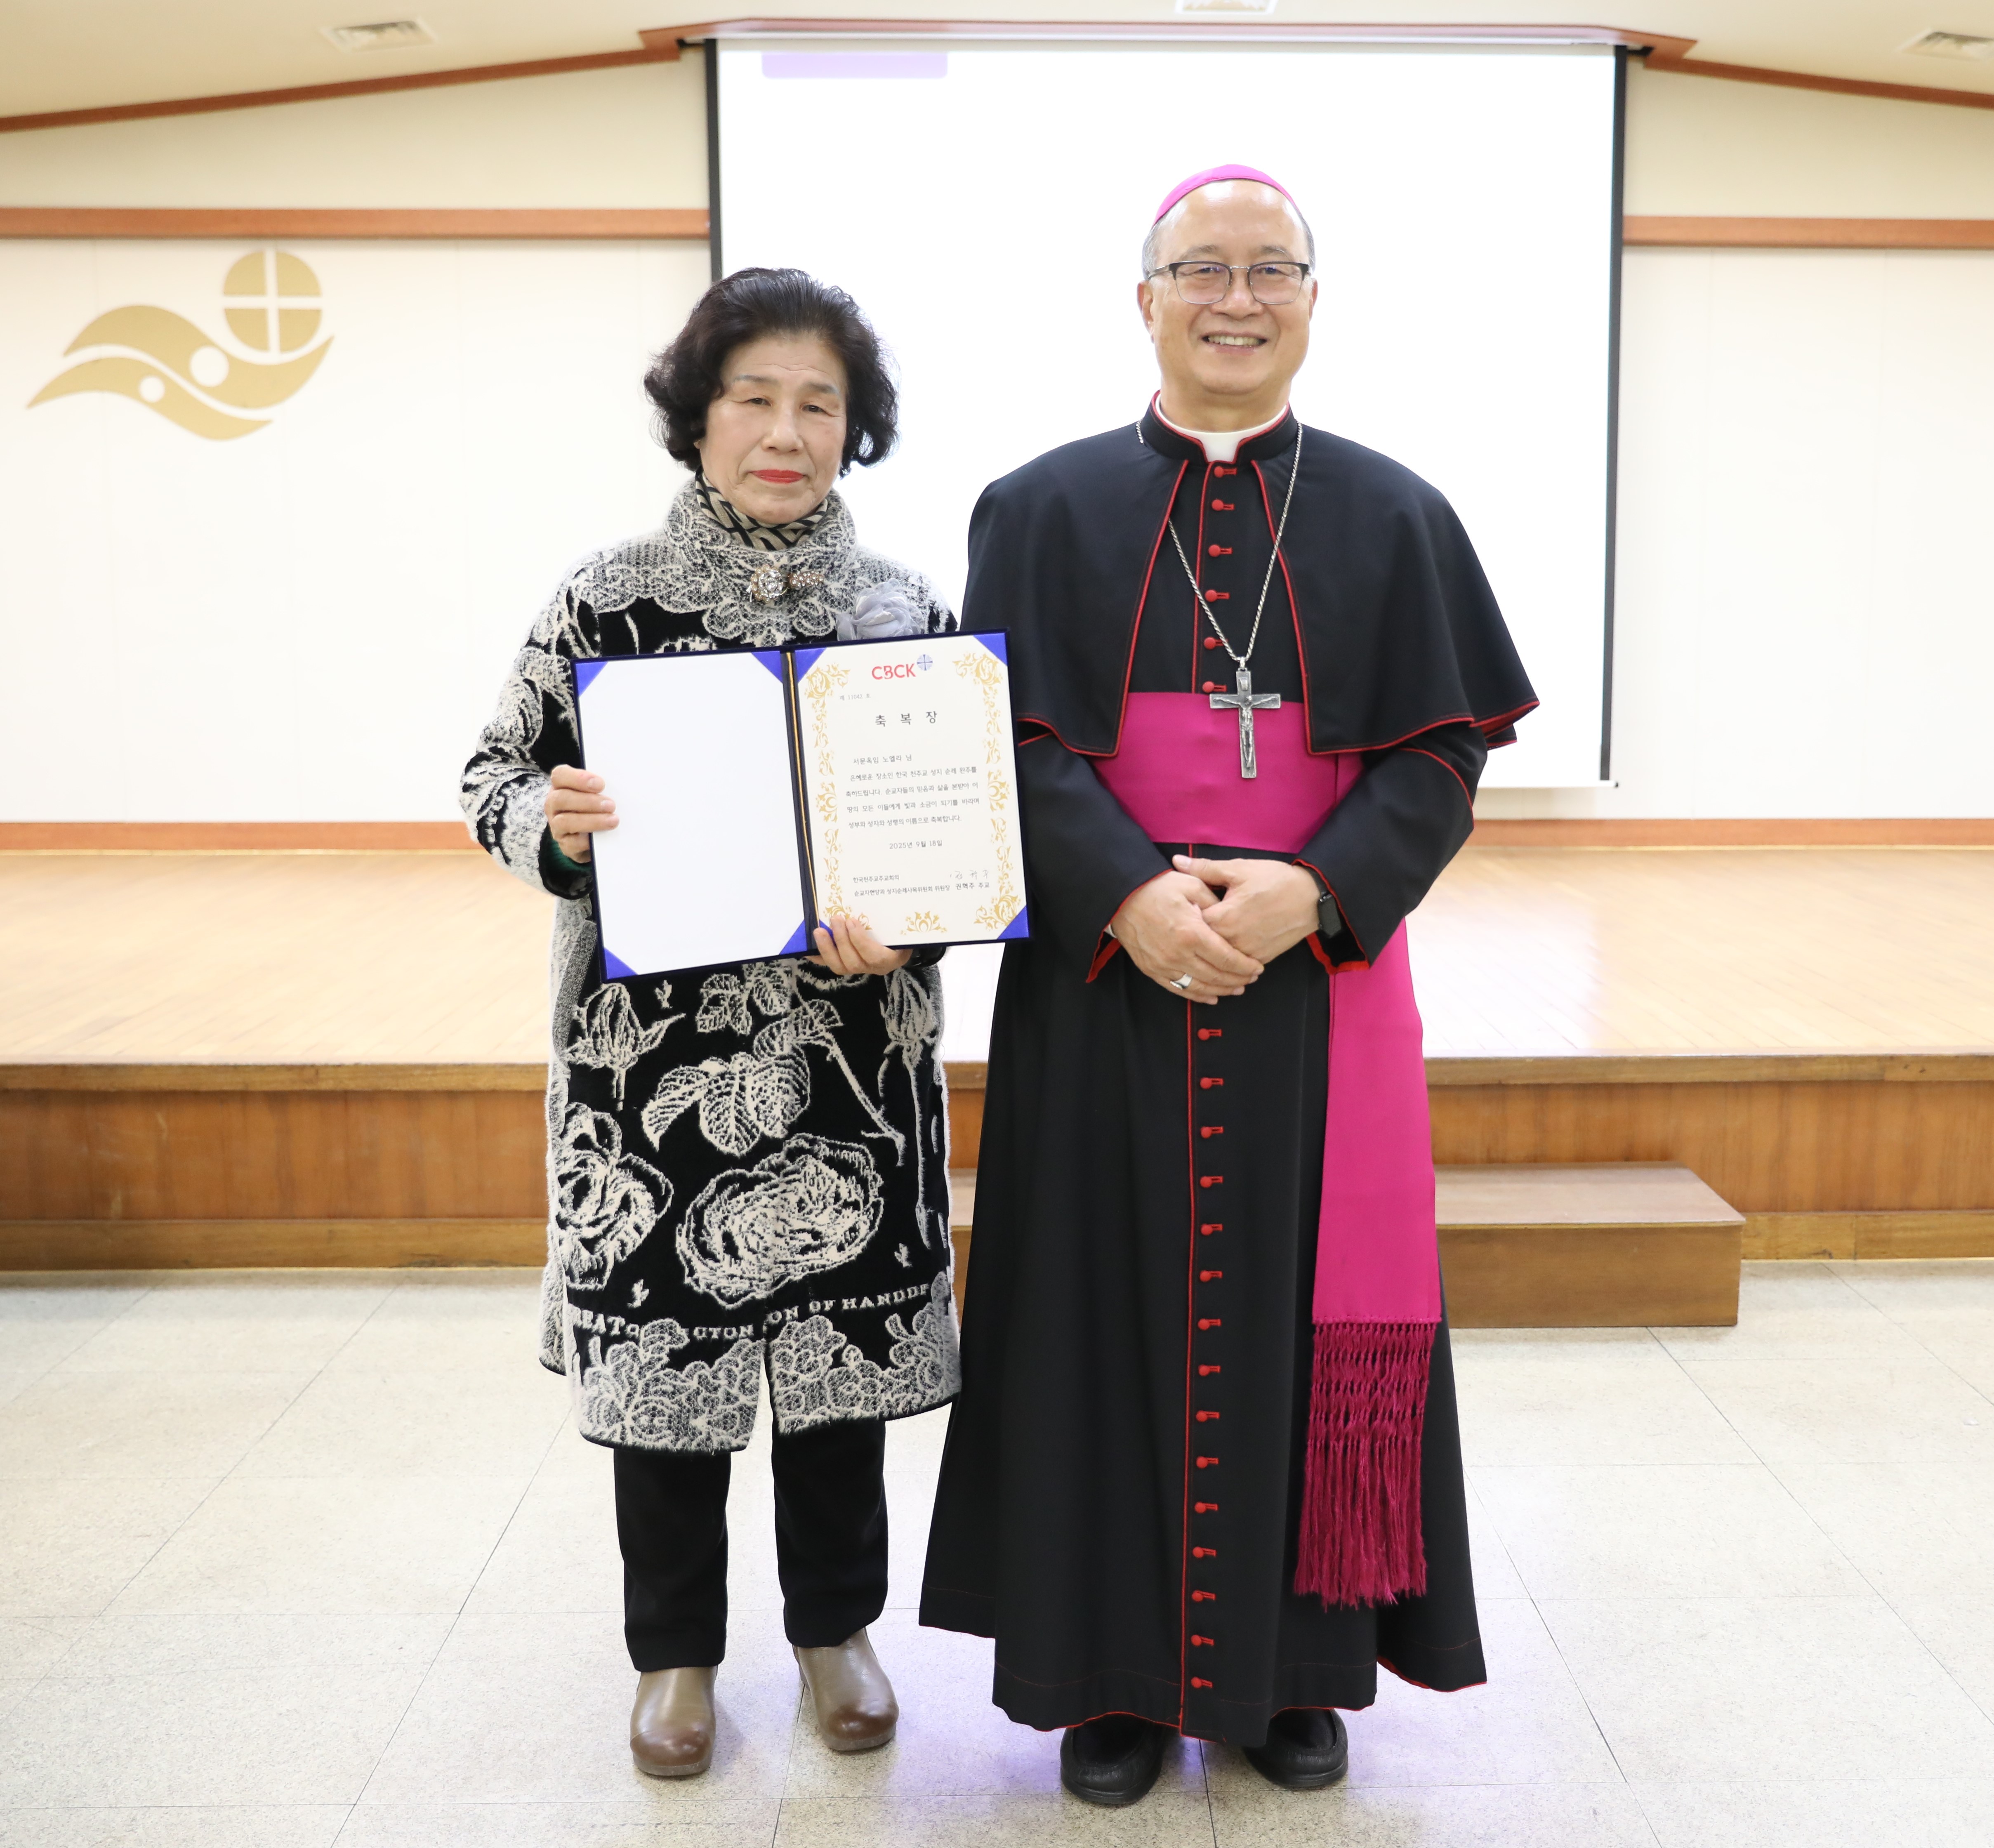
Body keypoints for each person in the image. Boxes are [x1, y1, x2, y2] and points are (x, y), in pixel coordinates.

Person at [919, 167, 1536, 1804]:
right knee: (1090, 1311)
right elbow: (1011, 744)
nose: (1236, 298)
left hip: (1312, 991)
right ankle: (1106, 1677)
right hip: (1104, 982)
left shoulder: (1397, 515)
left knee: (1298, 1310)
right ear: (1147, 299)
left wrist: (1307, 891)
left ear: (1312, 301)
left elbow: (1439, 750)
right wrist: (1127, 892)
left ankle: (1294, 1672)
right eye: (1203, 269)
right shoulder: (1037, 509)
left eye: (1272, 270)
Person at [461, 267, 961, 1780]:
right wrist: (556, 828)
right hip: (650, 1077)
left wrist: (918, 920)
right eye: (754, 397)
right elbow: (489, 779)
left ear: (855, 427)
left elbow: (961, 832)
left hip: (853, 1063)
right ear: (699, 418)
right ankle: (674, 1655)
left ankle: (836, 1634)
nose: (786, 430)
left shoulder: (910, 612)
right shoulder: (601, 597)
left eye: (820, 402)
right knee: (668, 1374)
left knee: (833, 1385)